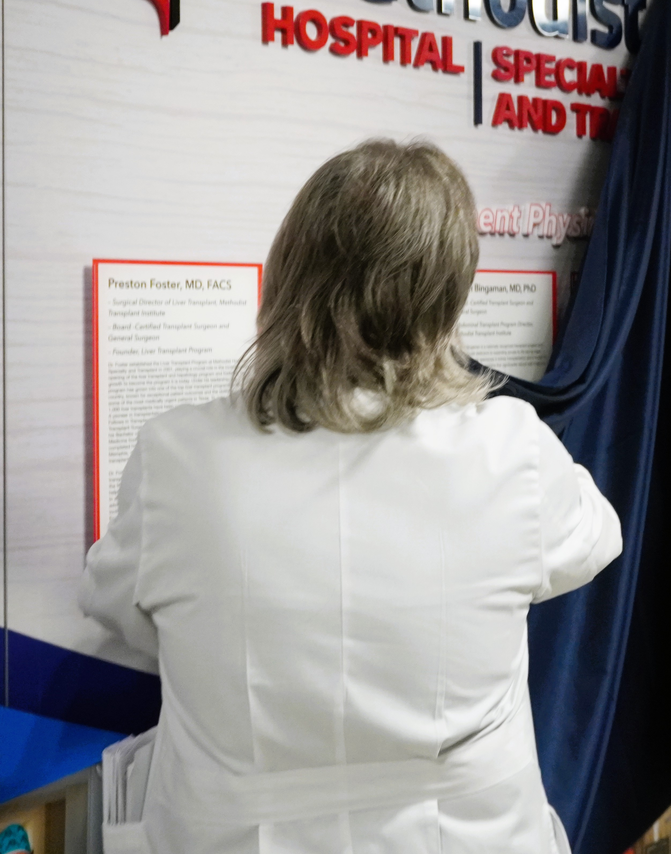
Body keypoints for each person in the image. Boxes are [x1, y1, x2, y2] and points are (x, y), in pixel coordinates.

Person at [80, 139, 621, 852]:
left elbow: (116, 603)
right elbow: (594, 539)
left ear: (290, 271)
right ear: (446, 297)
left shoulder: (179, 458)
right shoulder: (510, 452)